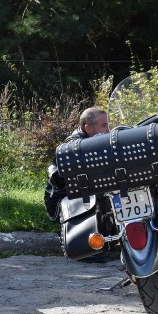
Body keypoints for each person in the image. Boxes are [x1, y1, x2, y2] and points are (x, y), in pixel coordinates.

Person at [44, 106, 113, 263]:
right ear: (88, 128)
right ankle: (85, 243)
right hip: (63, 201)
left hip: (82, 194)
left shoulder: (95, 141)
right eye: (104, 126)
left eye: (109, 124)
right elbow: (61, 180)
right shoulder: (73, 148)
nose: (109, 129)